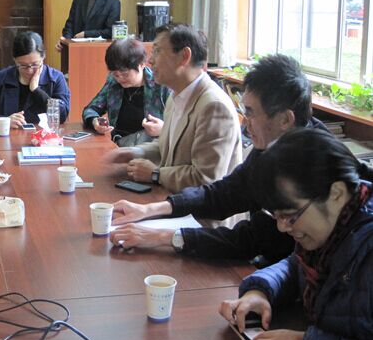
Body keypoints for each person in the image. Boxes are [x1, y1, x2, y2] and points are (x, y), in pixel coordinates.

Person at [110, 54, 326, 265]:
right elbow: (224, 194)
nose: (245, 123)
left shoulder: (313, 165)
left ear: (285, 119)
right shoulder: (273, 143)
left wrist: (162, 237)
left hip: (285, 274)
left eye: (251, 113)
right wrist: (150, 209)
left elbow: (250, 240)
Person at [219, 128, 373, 340]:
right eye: (276, 215)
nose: (282, 227)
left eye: (290, 215)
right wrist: (260, 290)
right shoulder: (335, 229)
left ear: (336, 193)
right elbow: (295, 266)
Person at [104, 24, 241, 193]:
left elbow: (206, 179)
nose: (150, 60)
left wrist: (156, 174)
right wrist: (135, 152)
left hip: (199, 209)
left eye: (157, 51)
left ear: (184, 56)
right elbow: (167, 148)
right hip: (173, 198)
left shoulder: (214, 106)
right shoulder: (176, 96)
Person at [82, 37, 170, 145]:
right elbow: (90, 109)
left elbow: (181, 126)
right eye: (115, 74)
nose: (120, 79)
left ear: (141, 64)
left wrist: (164, 129)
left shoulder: (161, 86)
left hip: (152, 147)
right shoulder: (113, 83)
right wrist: (95, 121)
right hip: (120, 145)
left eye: (125, 74)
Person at [0, 31, 70, 128]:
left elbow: (62, 115)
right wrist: (5, 121)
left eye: (35, 64)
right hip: (8, 135)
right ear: (15, 60)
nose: (29, 71)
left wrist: (36, 91)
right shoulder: (1, 79)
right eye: (23, 65)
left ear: (43, 56)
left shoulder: (55, 78)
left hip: (43, 136)